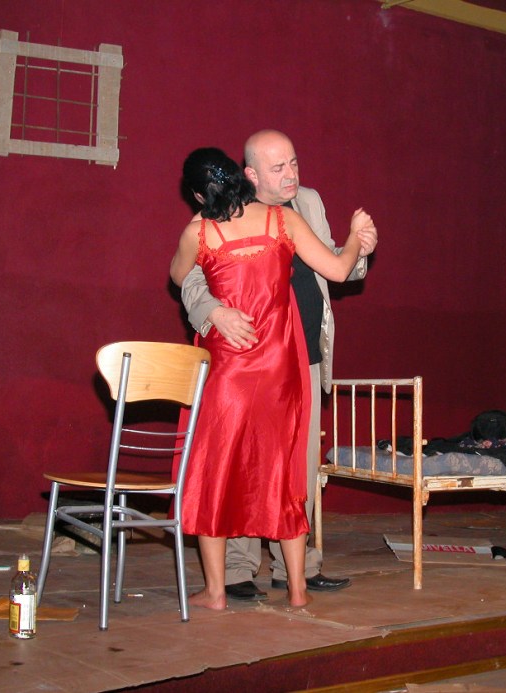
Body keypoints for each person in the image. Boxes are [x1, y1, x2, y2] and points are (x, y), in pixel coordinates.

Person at [170, 147, 371, 610]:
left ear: (199, 194)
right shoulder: (283, 220)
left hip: (228, 370)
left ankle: (216, 592)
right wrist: (355, 238)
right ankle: (298, 591)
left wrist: (203, 227)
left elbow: (179, 275)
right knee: (284, 472)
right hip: (280, 368)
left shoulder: (198, 231)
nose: (291, 172)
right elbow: (339, 268)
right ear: (243, 176)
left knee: (215, 473)